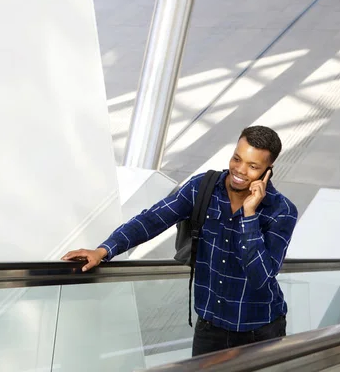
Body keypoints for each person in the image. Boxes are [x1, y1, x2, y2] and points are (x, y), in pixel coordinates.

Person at [62, 126, 298, 357]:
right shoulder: (202, 188)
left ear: (268, 170)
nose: (240, 169)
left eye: (253, 166)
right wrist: (104, 250)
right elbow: (152, 219)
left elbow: (261, 277)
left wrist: (249, 215)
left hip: (259, 331)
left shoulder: (282, 211)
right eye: (237, 158)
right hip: (210, 327)